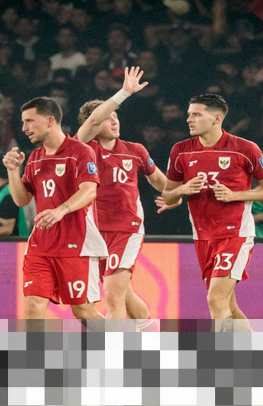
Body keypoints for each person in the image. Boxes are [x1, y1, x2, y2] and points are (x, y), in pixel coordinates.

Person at [162, 94, 263, 332]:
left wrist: (235, 195)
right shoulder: (181, 151)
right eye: (189, 114)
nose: (189, 120)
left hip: (235, 234)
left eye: (196, 114)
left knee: (215, 299)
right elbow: (168, 196)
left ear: (217, 119)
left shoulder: (245, 148)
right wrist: (182, 189)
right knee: (228, 305)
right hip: (203, 236)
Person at [75, 66, 176, 331]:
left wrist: (175, 195)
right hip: (95, 232)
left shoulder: (135, 150)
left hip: (126, 229)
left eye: (116, 116)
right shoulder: (83, 149)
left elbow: (160, 182)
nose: (114, 121)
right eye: (108, 117)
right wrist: (123, 92)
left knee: (113, 293)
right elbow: (92, 123)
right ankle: (152, 336)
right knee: (124, 294)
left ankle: (114, 353)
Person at [3, 97, 107, 331]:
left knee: (83, 312)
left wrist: (61, 210)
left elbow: (89, 190)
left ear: (50, 120)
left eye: (30, 121)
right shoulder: (35, 157)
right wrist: (13, 171)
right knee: (33, 308)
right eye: (23, 122)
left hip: (76, 244)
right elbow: (22, 199)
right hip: (40, 246)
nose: (24, 128)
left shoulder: (80, 151)